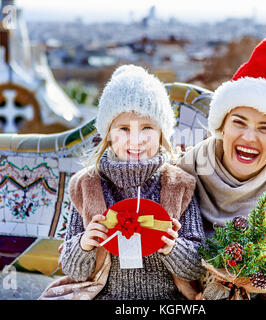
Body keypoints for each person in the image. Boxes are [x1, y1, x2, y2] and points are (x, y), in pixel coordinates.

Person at [39, 65, 205, 300]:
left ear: (162, 133)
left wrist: (174, 248)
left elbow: (198, 265)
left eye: (147, 127)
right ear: (107, 134)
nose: (135, 140)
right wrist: (84, 244)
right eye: (124, 129)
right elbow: (72, 268)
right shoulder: (87, 186)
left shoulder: (179, 186)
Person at [177, 29, 266, 300]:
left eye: (265, 128)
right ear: (222, 124)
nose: (249, 137)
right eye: (239, 122)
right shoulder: (176, 183)